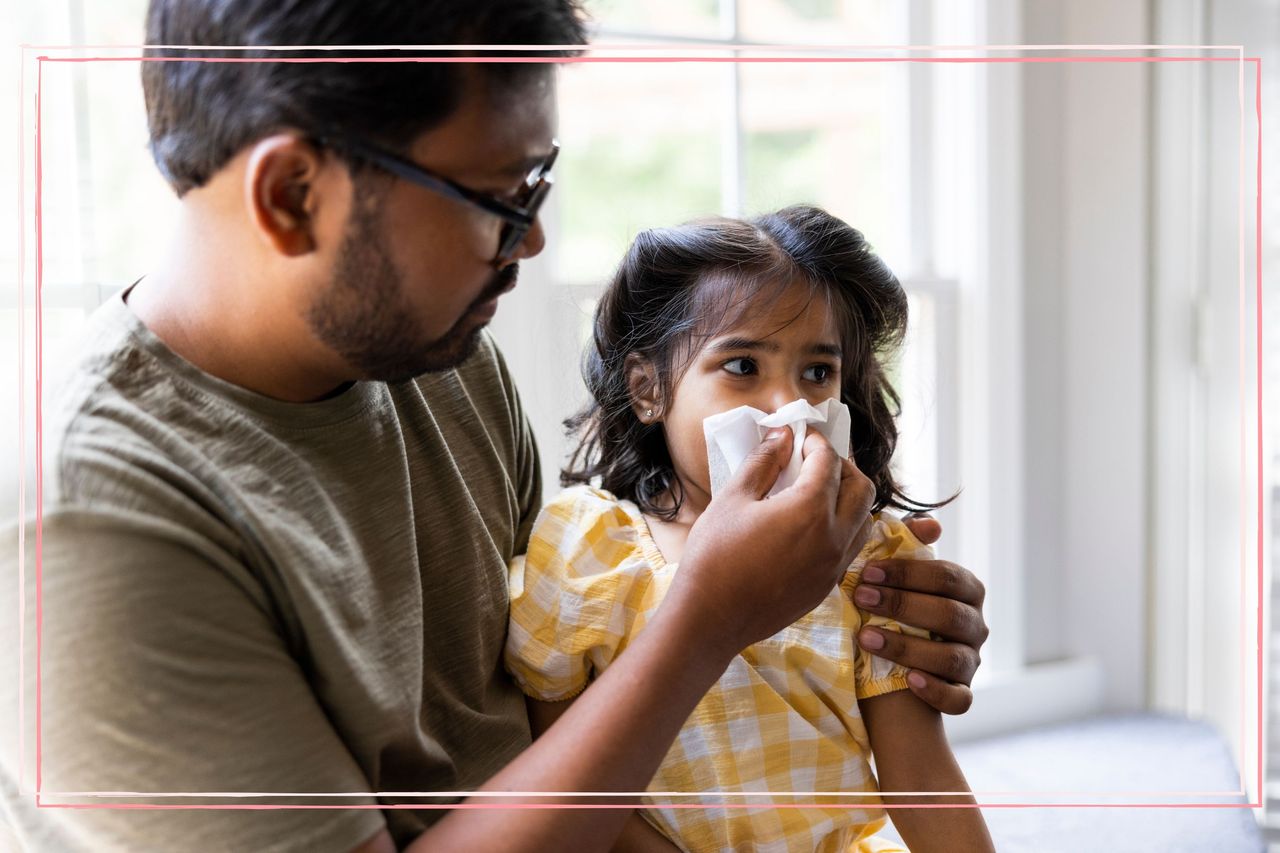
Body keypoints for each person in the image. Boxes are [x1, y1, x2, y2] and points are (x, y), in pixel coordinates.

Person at [0, 1, 990, 851]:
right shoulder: (92, 533)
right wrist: (710, 617)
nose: (535, 238)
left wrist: (833, 617)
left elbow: (564, 688)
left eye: (539, 183)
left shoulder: (440, 361)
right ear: (292, 195)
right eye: (498, 197)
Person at [505, 207, 995, 853]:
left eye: (817, 373)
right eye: (742, 367)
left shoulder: (866, 557)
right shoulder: (584, 549)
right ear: (648, 388)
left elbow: (923, 779)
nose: (786, 406)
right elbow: (569, 777)